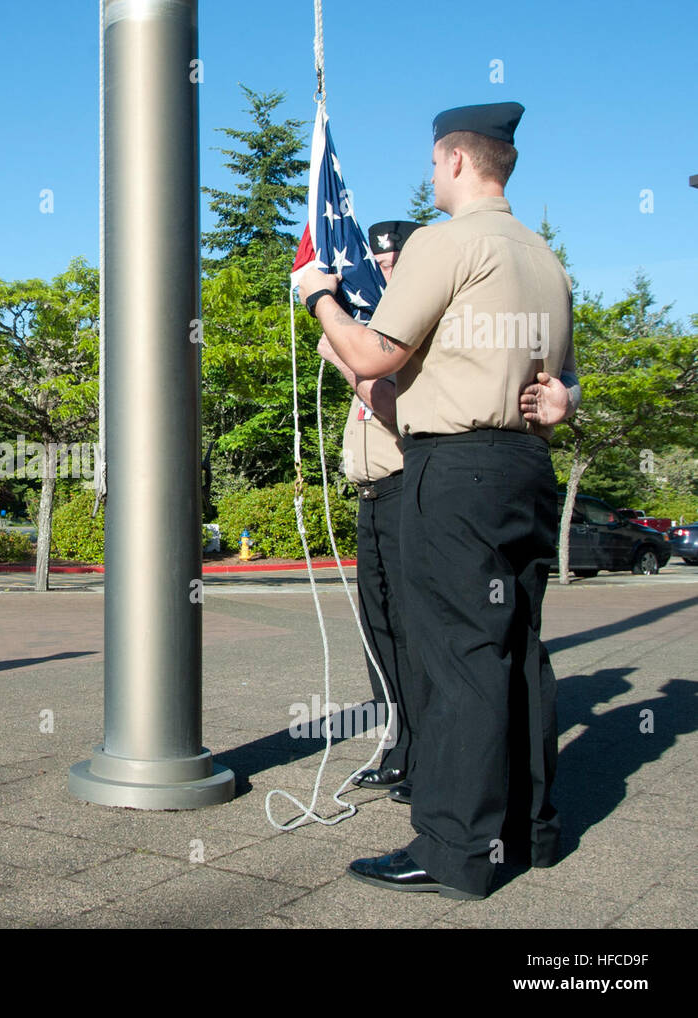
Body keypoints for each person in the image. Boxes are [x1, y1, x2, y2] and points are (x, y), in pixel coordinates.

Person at [298, 101, 575, 900]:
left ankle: (454, 849)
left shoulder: (442, 243)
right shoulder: (543, 256)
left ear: (454, 162)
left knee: (455, 655)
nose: (429, 177)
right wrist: (564, 406)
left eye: (431, 165)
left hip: (455, 472)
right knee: (520, 649)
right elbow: (559, 386)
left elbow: (374, 353)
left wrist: (319, 294)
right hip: (525, 468)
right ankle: (529, 829)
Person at [319, 220, 423, 805]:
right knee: (379, 633)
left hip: (407, 489)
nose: (383, 270)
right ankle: (401, 745)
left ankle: (426, 752)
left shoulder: (413, 331)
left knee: (412, 631)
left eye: (393, 261)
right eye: (377, 263)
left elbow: (397, 412)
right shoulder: (381, 324)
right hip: (370, 497)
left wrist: (346, 361)